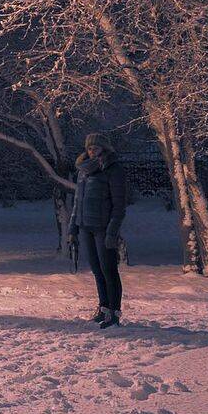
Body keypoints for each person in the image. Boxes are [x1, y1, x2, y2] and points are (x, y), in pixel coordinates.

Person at [70, 132, 129, 328]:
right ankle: (103, 308)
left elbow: (119, 205)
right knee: (97, 270)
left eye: (95, 147)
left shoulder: (113, 169)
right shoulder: (83, 171)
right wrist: (73, 228)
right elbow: (77, 201)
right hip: (86, 226)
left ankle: (114, 313)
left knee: (108, 270)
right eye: (89, 147)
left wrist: (112, 231)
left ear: (104, 148)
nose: (92, 150)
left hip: (104, 228)